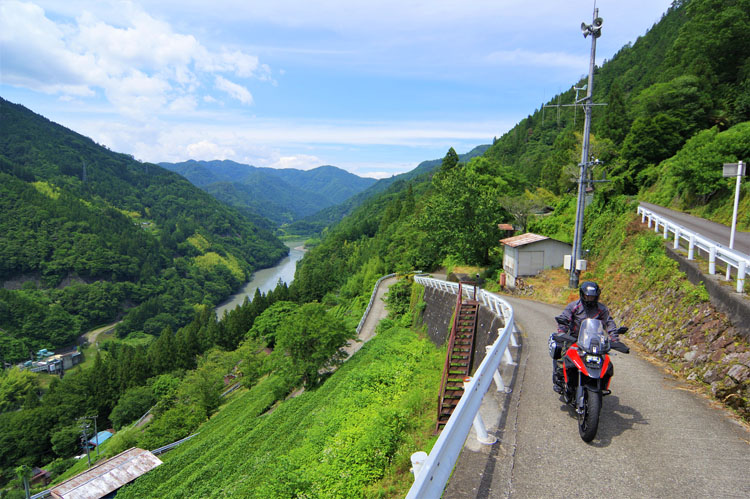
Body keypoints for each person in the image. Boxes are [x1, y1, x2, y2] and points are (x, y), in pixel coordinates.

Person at [550, 280, 618, 393]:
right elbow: (564, 318)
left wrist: (614, 338)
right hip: (574, 338)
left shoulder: (602, 309)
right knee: (563, 356)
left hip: (594, 340)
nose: (590, 299)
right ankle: (561, 380)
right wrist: (561, 331)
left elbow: (609, 323)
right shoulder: (574, 306)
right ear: (582, 295)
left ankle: (600, 383)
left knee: (605, 362)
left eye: (592, 297)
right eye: (587, 296)